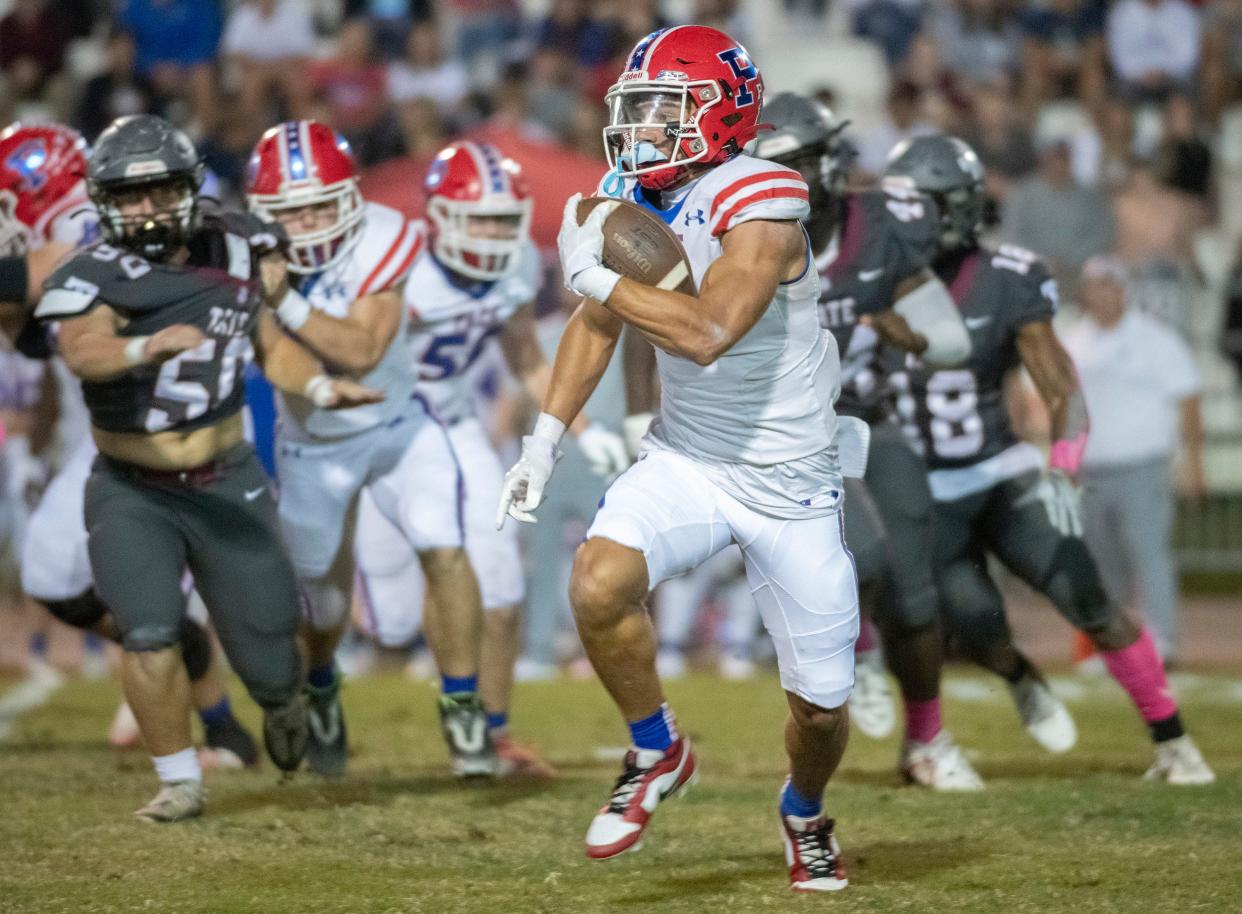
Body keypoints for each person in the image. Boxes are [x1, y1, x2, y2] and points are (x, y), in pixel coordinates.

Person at [498, 26, 858, 891]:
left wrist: (596, 277)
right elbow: (598, 325)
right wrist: (544, 440)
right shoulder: (632, 187)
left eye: (667, 107)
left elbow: (705, 335)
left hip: (791, 479)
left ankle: (804, 812)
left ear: (724, 112)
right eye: (641, 106)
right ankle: (656, 752)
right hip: (690, 457)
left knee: (819, 708)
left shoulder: (765, 198)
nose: (645, 125)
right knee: (596, 582)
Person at [35, 114, 379, 821]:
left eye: (159, 191)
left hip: (227, 478)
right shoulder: (91, 272)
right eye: (127, 198)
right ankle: (179, 778)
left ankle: (287, 698)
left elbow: (267, 343)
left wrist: (315, 386)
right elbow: (83, 349)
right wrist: (143, 349)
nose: (145, 210)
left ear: (189, 188)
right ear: (103, 204)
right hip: (132, 486)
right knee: (150, 630)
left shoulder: (242, 241)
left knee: (272, 650)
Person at [884, 134, 1214, 785]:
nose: (910, 220)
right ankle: (977, 707)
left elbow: (1063, 389)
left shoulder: (1007, 277)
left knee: (1089, 600)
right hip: (925, 485)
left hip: (1001, 473)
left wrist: (1063, 463)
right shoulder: (871, 280)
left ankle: (1174, 742)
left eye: (923, 204)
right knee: (968, 624)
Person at [351, 139, 627, 777]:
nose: (491, 233)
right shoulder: (397, 266)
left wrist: (582, 431)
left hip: (452, 426)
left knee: (502, 583)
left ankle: (490, 738)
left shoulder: (515, 270)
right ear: (441, 216)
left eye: (502, 220)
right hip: (375, 432)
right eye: (477, 218)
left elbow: (527, 358)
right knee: (388, 625)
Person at [747, 93, 998, 786]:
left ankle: (926, 742)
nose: (795, 180)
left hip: (867, 413)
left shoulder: (882, 228)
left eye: (802, 163)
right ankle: (854, 654)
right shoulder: (741, 232)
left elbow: (944, 337)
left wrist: (910, 333)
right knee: (858, 557)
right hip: (787, 428)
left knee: (917, 592)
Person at [246, 120, 505, 779]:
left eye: (319, 204)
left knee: (444, 546)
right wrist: (320, 390)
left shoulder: (384, 234)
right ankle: (323, 686)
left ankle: (462, 704)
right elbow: (270, 350)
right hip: (313, 445)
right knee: (323, 605)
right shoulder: (241, 252)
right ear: (264, 213)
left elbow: (363, 348)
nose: (306, 223)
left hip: (398, 429)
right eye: (291, 209)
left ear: (349, 197)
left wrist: (287, 301)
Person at [0, 121, 260, 770]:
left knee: (129, 589)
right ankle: (202, 692)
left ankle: (219, 726)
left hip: (184, 429)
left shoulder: (105, 223)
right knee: (53, 576)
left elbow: (22, 280)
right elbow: (32, 327)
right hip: (124, 430)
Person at [1063, 255, 1205, 663]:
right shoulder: (1073, 340)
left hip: (1143, 463)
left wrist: (1194, 462)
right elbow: (1064, 406)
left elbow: (1189, 398)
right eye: (1094, 285)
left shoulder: (1155, 338)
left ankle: (1163, 641)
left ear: (1123, 289)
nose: (1101, 293)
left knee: (1149, 554)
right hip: (1091, 467)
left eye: (1108, 285)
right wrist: (1065, 461)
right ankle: (1114, 642)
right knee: (1103, 561)